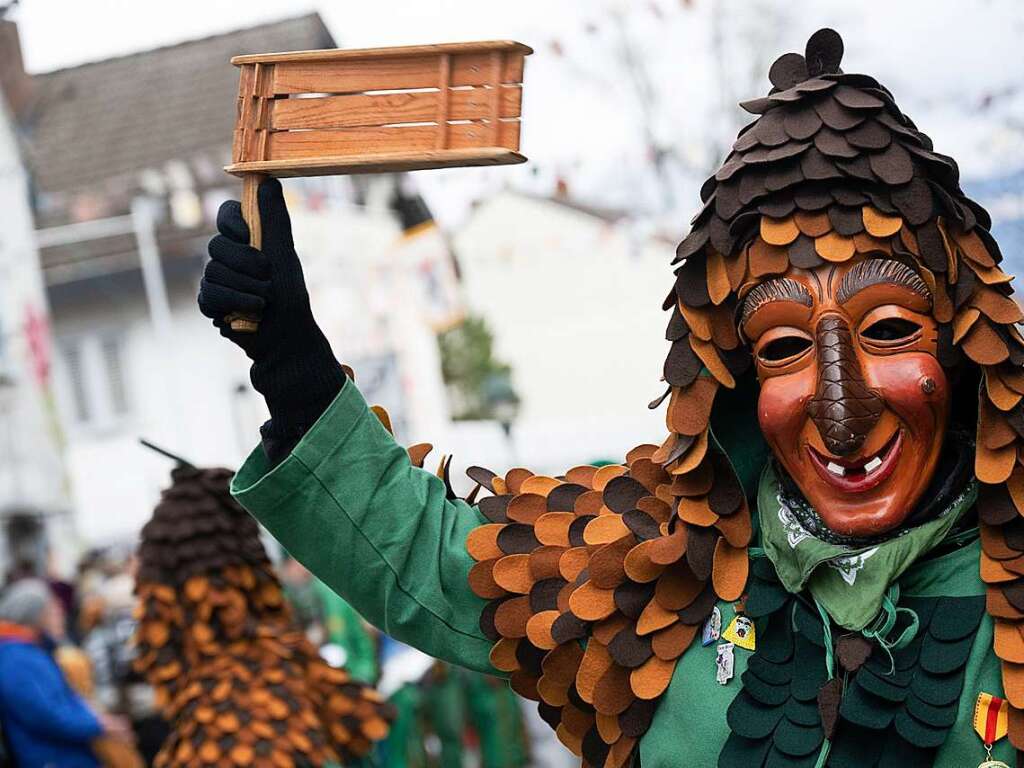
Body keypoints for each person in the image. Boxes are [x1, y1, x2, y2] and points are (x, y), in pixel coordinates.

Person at [199, 28, 1022, 768]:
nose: (842, 411)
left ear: (958, 347)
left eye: (887, 330)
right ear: (737, 373)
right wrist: (291, 363)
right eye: (784, 347)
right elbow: (431, 554)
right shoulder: (658, 566)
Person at [0, 579, 130, 768]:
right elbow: (45, 715)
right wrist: (99, 724)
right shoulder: (17, 658)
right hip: (53, 758)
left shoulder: (29, 651)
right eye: (51, 610)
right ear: (35, 615)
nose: (59, 613)